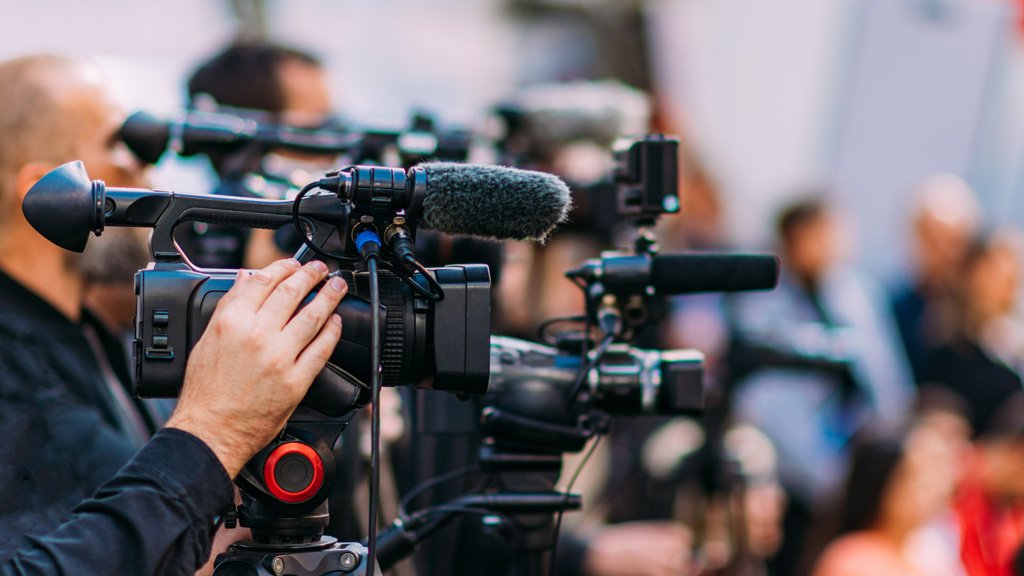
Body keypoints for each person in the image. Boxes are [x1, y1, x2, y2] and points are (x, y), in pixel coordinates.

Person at [2, 257, 348, 575]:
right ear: (37, 187)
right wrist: (214, 434)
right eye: (132, 184)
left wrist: (193, 554)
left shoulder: (92, 335)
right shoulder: (16, 361)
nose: (151, 186)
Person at [0, 54, 165, 554]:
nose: (144, 168)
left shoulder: (89, 331)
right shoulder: (11, 362)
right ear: (43, 192)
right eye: (118, 145)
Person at [727, 197, 914, 575]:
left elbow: (883, 371)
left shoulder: (856, 292)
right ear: (794, 238)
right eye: (823, 235)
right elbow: (768, 401)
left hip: (854, 466)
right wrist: (824, 474)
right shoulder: (761, 296)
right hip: (791, 472)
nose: (834, 245)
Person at [920, 231, 1024, 435]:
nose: (1008, 286)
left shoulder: (1014, 340)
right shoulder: (947, 347)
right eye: (997, 275)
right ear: (971, 277)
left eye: (1013, 275)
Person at [891, 175, 981, 382]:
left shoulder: (978, 309)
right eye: (933, 238)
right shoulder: (890, 303)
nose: (944, 251)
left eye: (953, 241)